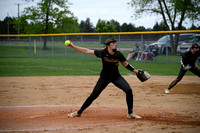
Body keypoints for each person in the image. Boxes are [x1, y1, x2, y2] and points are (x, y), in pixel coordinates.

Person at [67, 38, 142, 119]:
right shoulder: (102, 52)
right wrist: (73, 46)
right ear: (108, 45)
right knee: (93, 95)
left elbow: (125, 64)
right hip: (104, 78)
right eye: (113, 43)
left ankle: (130, 113)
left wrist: (136, 71)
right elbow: (87, 51)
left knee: (128, 90)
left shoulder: (118, 54)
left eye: (115, 43)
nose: (115, 45)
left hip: (116, 77)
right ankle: (79, 112)